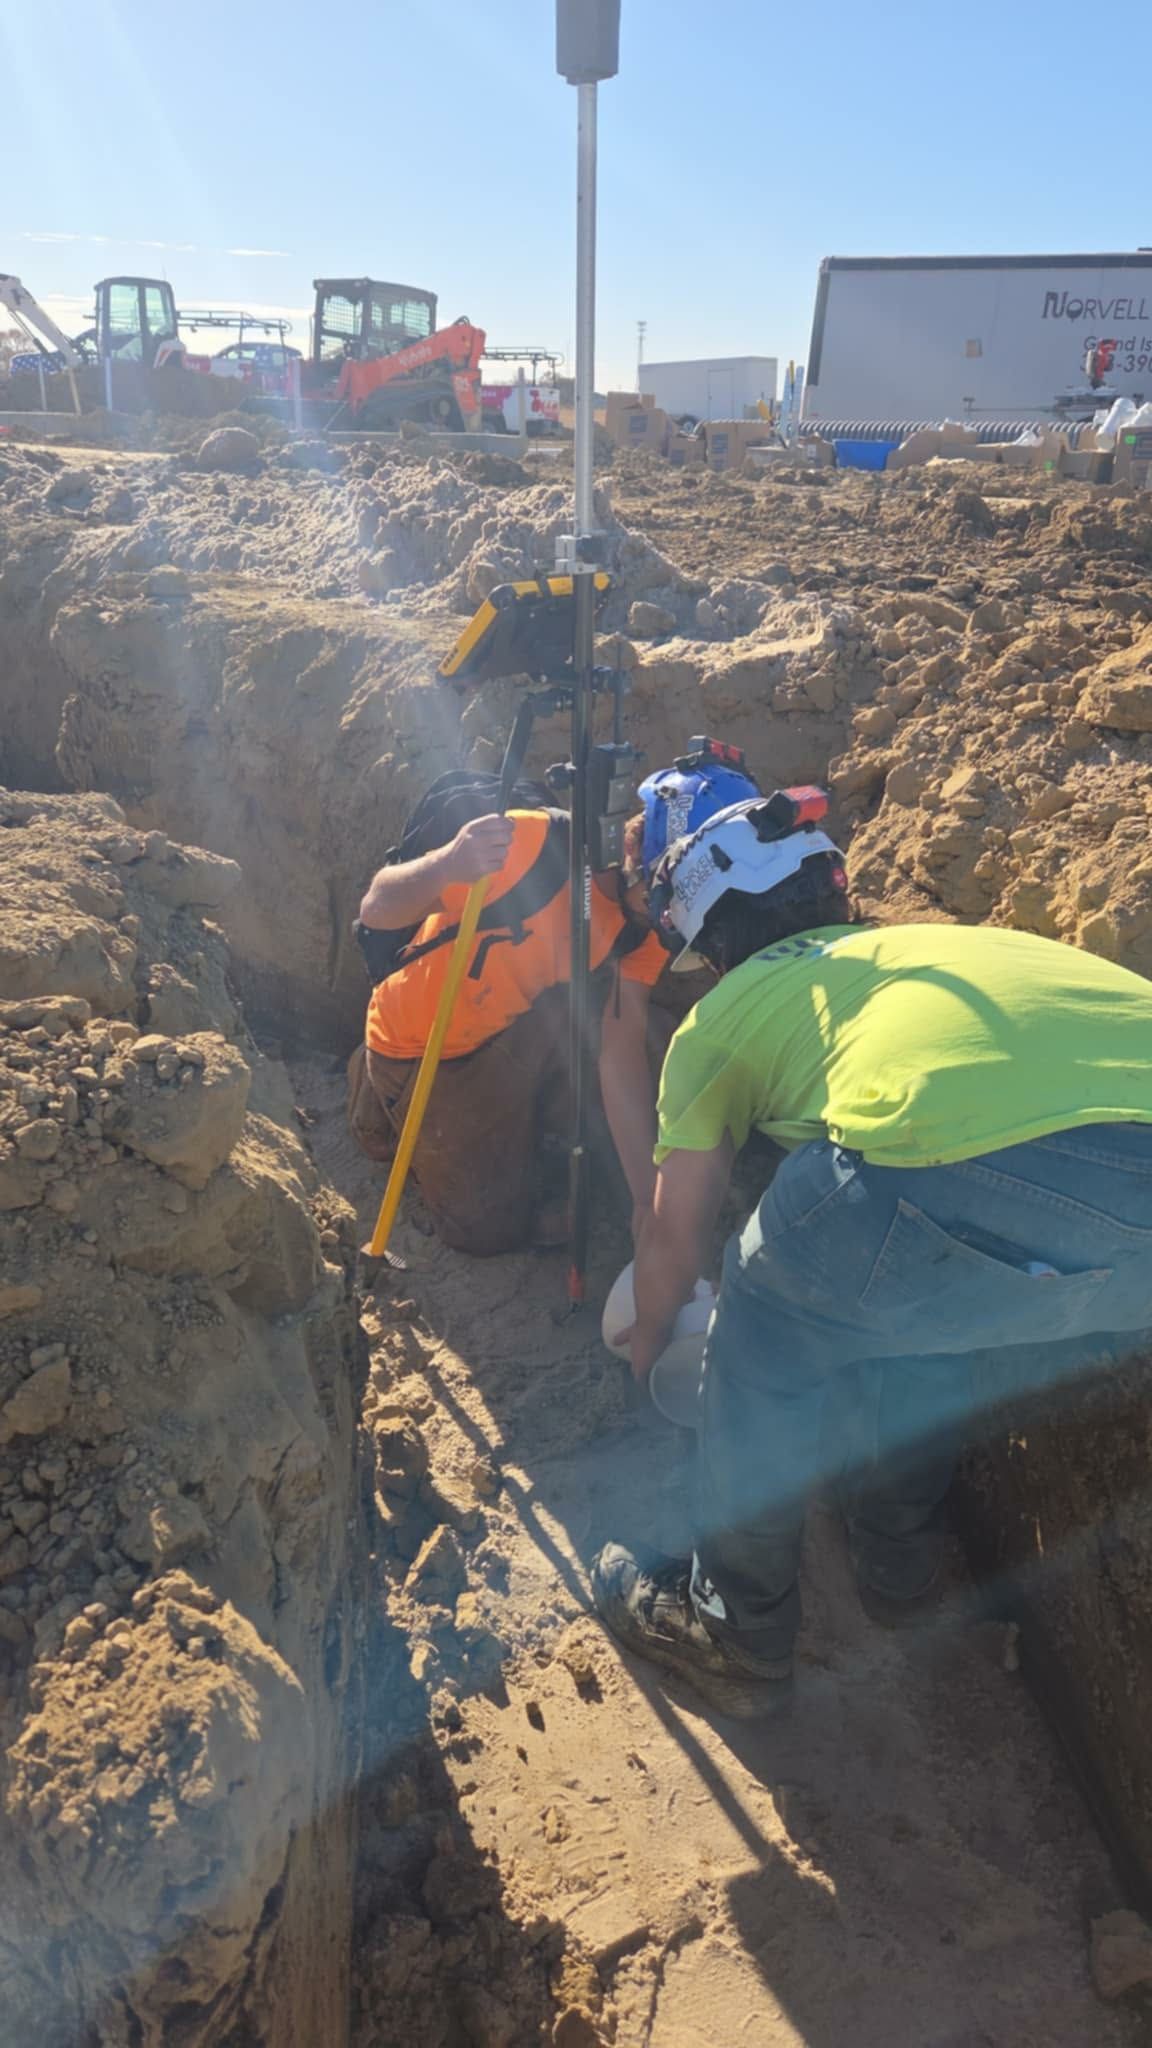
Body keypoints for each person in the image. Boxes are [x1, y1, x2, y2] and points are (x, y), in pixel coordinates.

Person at [592, 792, 1152, 1716]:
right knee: (932, 1307)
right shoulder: (951, 948)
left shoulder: (728, 1012)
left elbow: (672, 1237)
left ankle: (733, 1629)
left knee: (767, 1312)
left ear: (710, 944)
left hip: (955, 1164)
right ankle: (899, 1566)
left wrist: (658, 1353)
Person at [350, 752, 760, 1257]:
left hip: (524, 1016)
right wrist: (449, 863)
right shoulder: (530, 847)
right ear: (633, 844)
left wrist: (643, 1201)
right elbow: (377, 908)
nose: (670, 915)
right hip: (428, 1045)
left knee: (654, 1040)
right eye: (667, 893)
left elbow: (621, 1045)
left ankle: (518, 1123)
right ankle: (377, 1103)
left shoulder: (660, 914)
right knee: (487, 1233)